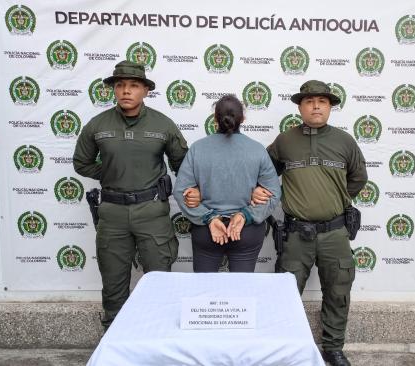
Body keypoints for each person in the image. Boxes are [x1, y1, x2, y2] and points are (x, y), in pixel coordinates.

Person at [255, 80, 368, 366]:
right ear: (300, 107)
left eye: (323, 102)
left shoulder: (344, 142)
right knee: (286, 292)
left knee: (338, 290)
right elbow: (266, 174)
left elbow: (358, 178)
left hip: (335, 233)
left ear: (330, 107)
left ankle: (333, 348)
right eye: (309, 101)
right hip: (297, 234)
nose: (316, 106)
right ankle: (284, 347)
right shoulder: (285, 141)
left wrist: (335, 199)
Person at [73, 60, 190, 330]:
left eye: (134, 86)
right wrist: (110, 172)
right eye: (120, 85)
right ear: (113, 90)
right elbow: (82, 162)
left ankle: (159, 339)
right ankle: (114, 342)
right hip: (112, 213)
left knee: (160, 279)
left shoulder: (163, 124)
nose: (126, 91)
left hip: (152, 211)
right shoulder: (98, 125)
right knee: (113, 285)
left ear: (145, 91)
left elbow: (183, 164)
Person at [173, 95, 281, 272]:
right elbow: (274, 194)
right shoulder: (257, 150)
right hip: (246, 231)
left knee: (204, 291)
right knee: (241, 290)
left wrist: (209, 217)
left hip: (207, 231)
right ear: (243, 119)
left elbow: (180, 192)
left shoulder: (198, 149)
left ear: (215, 118)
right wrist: (244, 215)